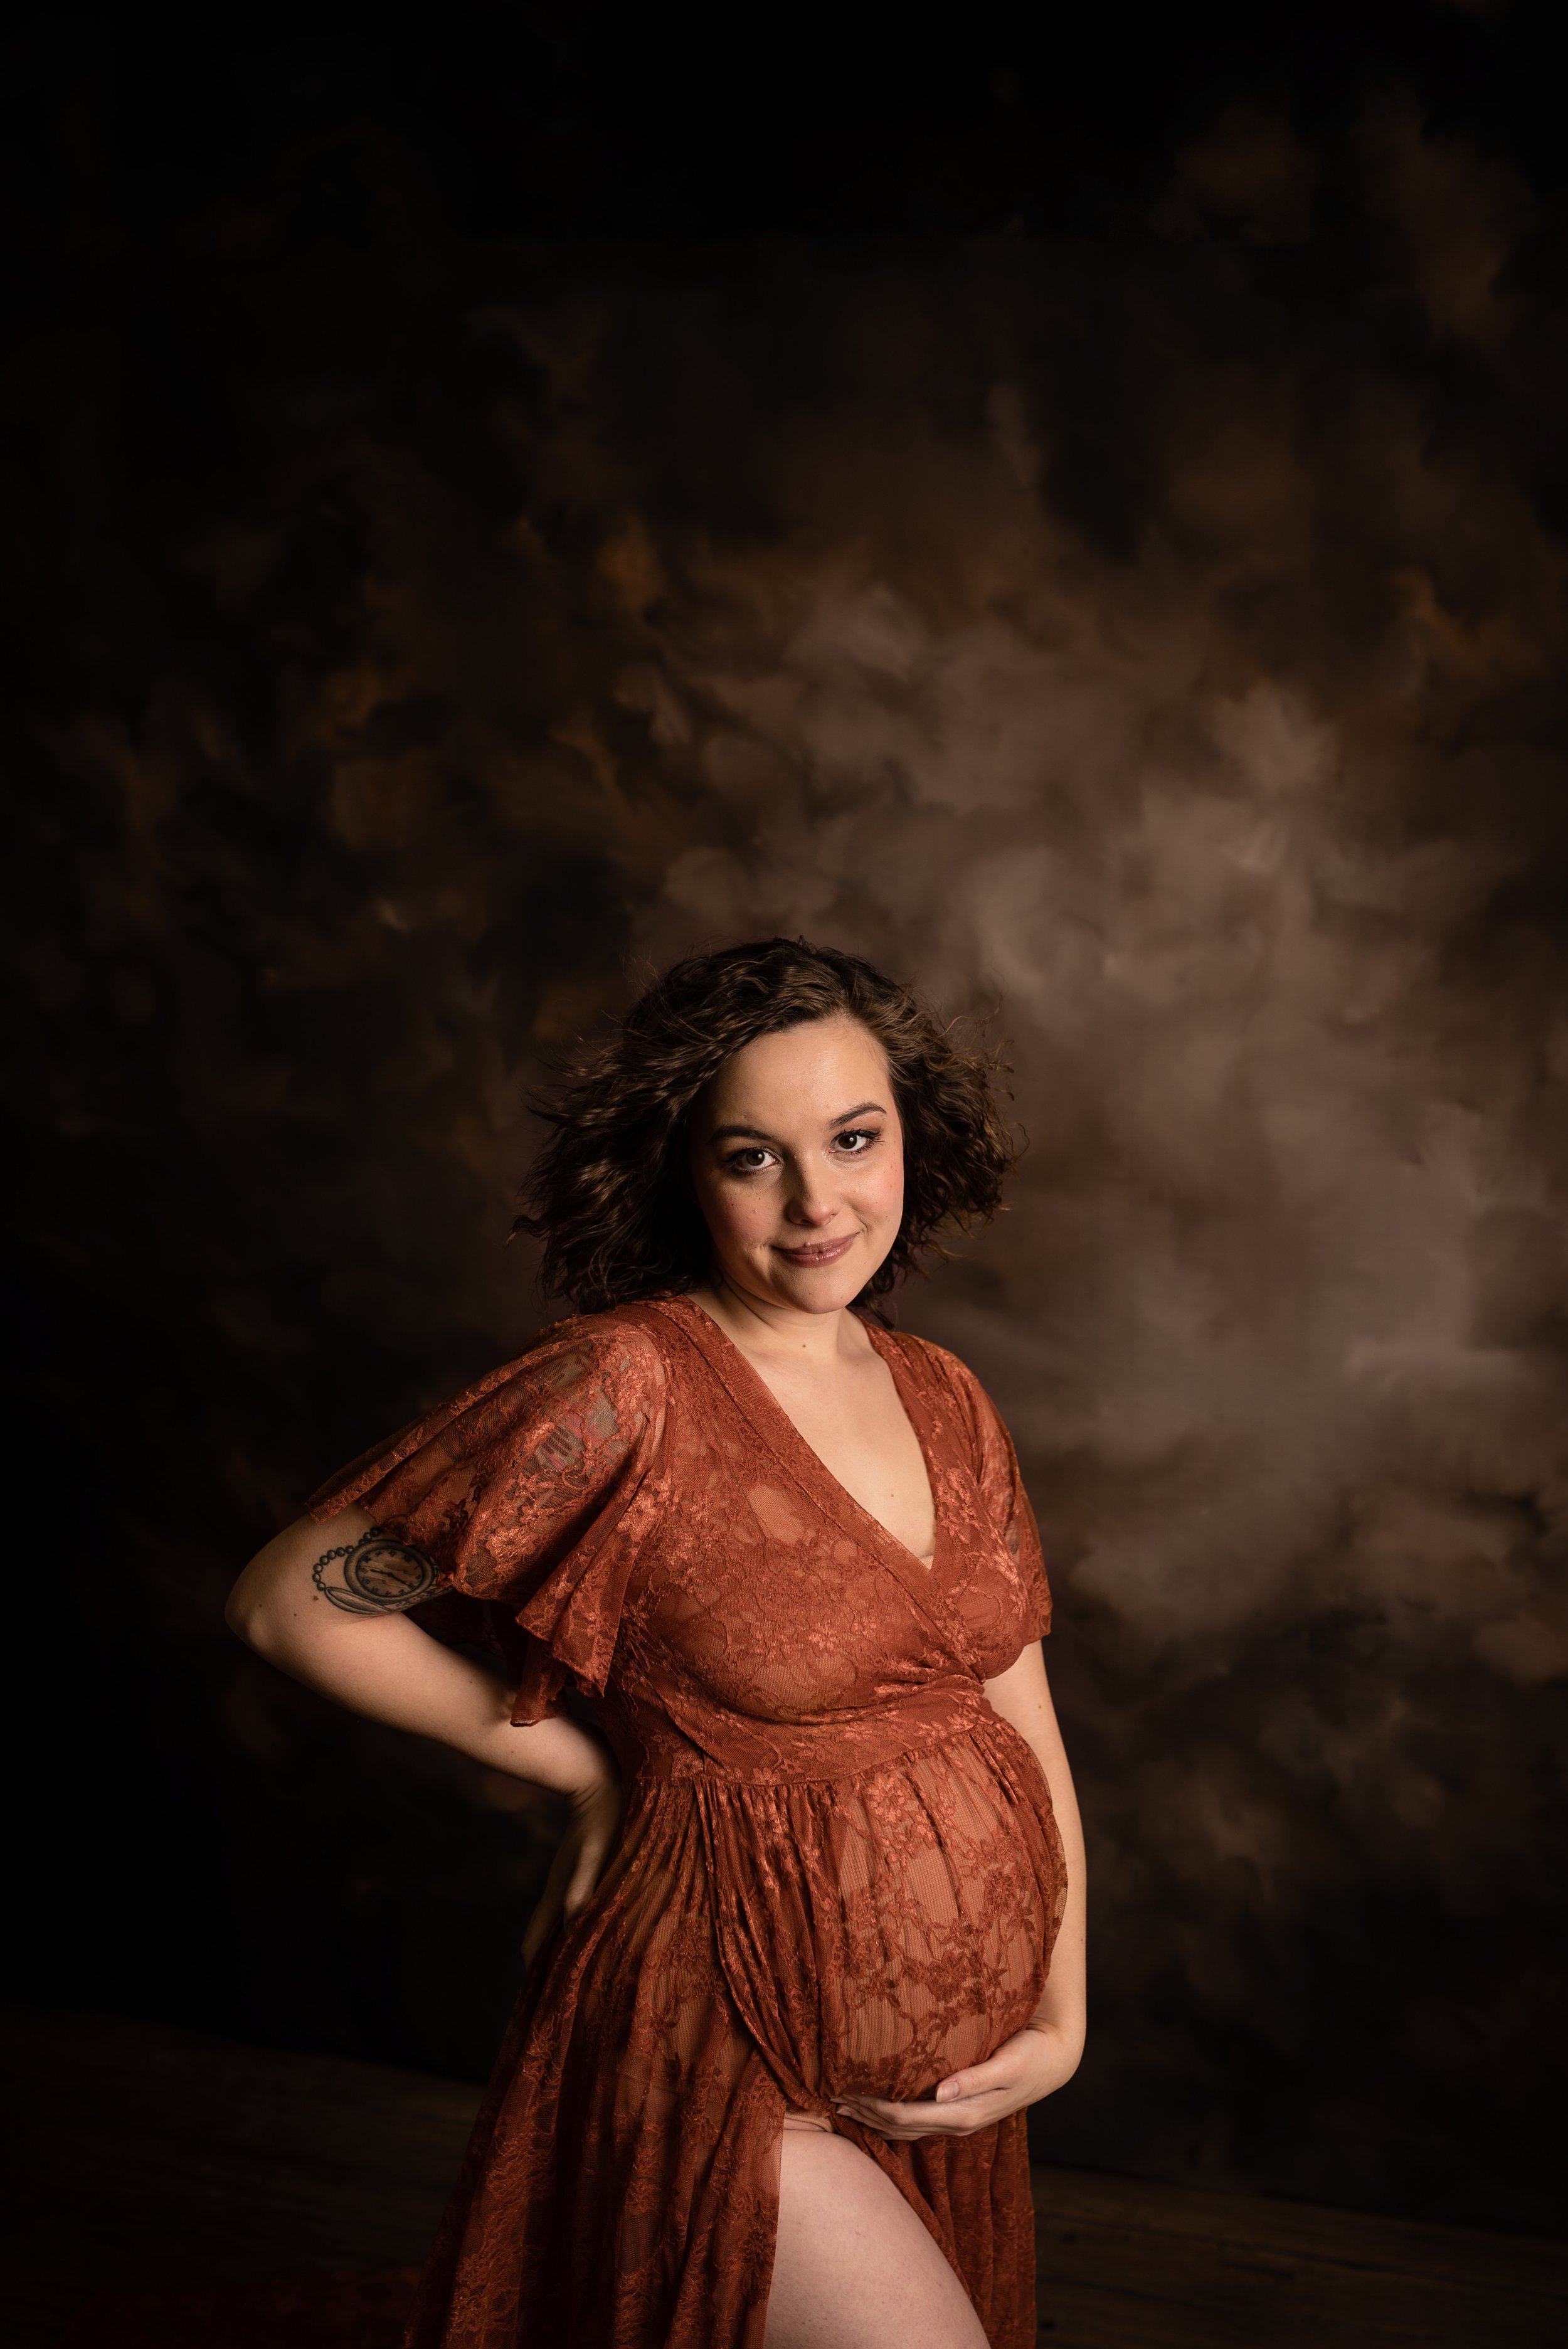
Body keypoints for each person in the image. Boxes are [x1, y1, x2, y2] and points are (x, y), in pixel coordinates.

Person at [226, 937, 1086, 2349]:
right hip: (717, 2048)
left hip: (952, 2083)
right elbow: (287, 1599)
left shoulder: (946, 1395)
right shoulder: (627, 1385)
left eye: (852, 1139)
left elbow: (1019, 1713)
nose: (816, 1201)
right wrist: (586, 1773)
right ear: (683, 1173)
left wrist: (1059, 2018)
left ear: (910, 1138)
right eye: (753, 1157)